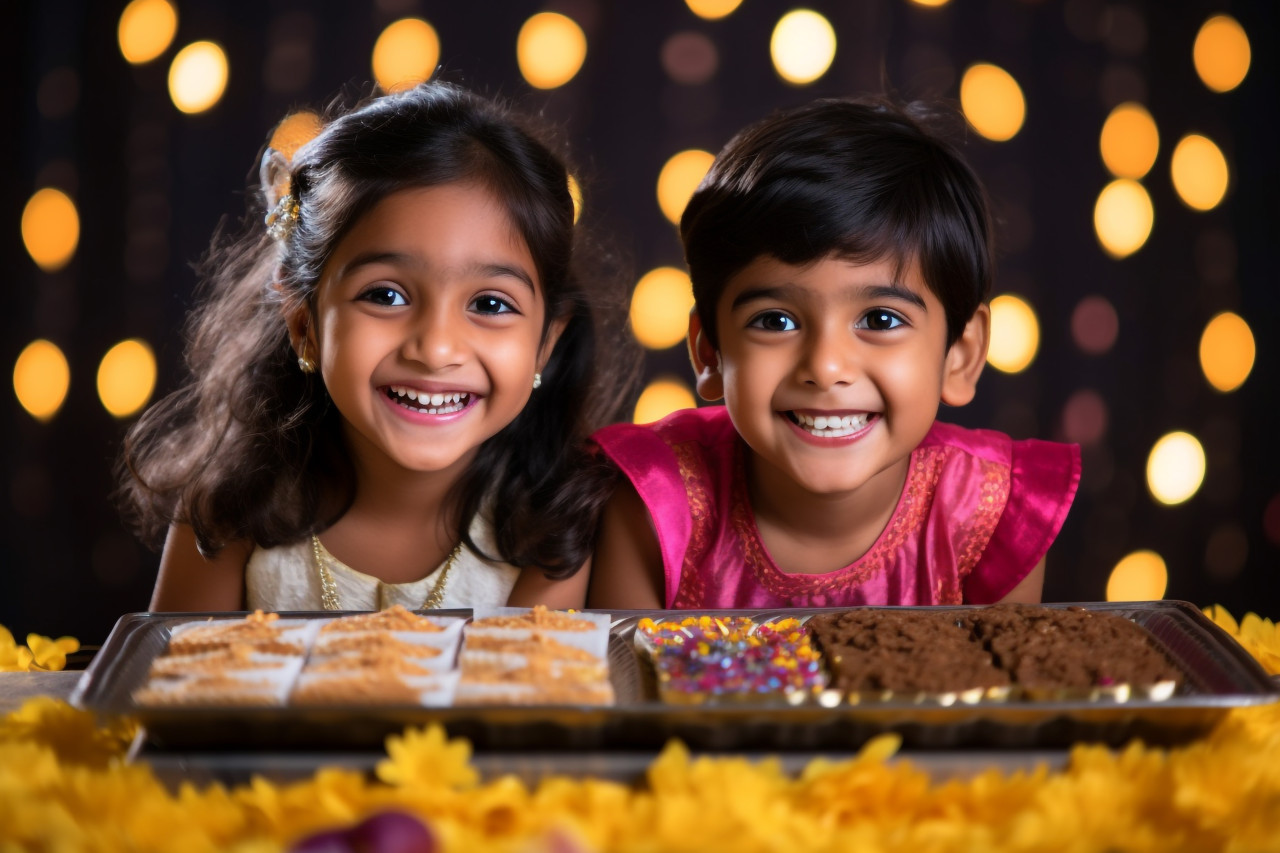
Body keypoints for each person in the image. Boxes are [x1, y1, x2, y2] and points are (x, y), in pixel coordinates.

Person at [118, 81, 638, 612]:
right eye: (386, 295)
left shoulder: (557, 529)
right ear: (305, 324)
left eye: (489, 305)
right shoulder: (228, 511)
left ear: (546, 342)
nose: (436, 350)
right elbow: (175, 687)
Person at [586, 96, 1081, 609]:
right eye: (775, 321)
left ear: (961, 354)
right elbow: (624, 683)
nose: (825, 367)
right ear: (709, 353)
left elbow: (1003, 684)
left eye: (880, 320)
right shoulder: (654, 502)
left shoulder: (992, 516)